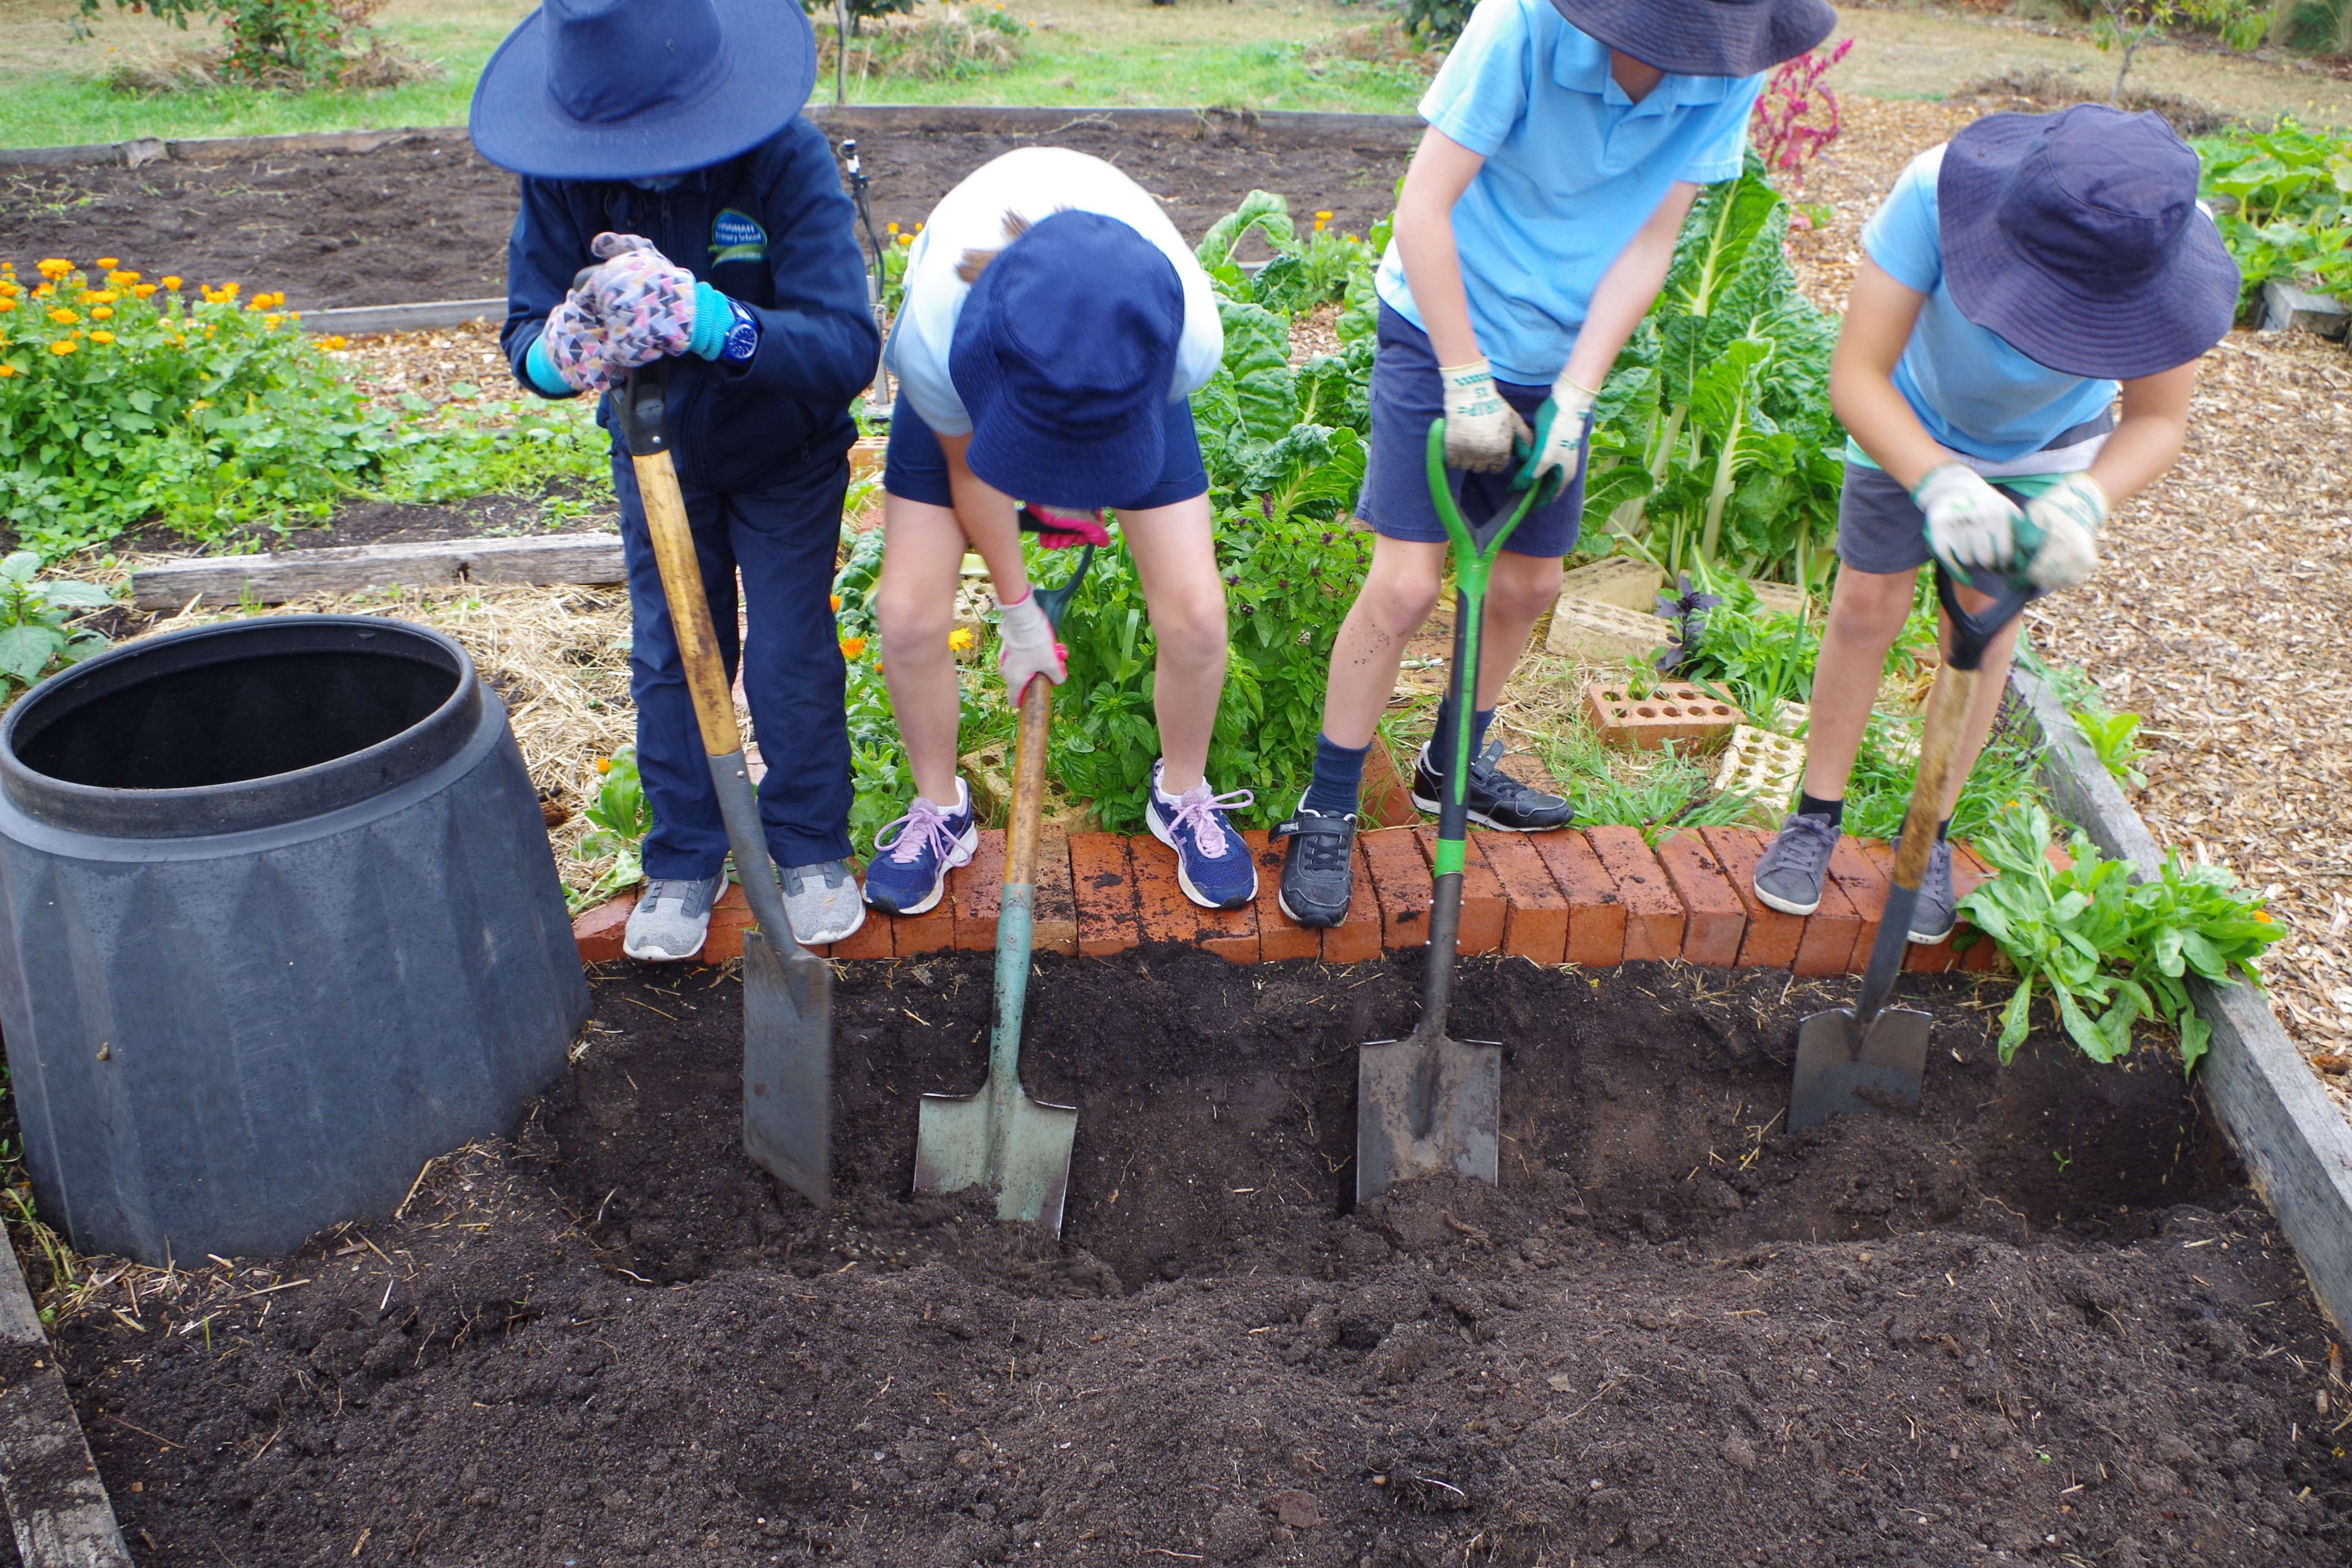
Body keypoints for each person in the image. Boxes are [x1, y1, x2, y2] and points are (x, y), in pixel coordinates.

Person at [1273, 0, 1839, 927]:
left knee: (1532, 588)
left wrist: (1576, 394)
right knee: (1411, 584)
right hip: (1439, 322)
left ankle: (1453, 765)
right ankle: (1330, 803)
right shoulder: (1522, 26)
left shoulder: (1733, 60)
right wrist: (1463, 377)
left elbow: (1652, 241)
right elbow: (1422, 206)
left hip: (1562, 350)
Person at [1749, 104, 2237, 942]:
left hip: (2050, 449)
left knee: (1980, 628)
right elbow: (1858, 377)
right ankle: (1814, 816)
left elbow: (2157, 421)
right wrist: (1936, 480)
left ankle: (1929, 833)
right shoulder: (1935, 193)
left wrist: (2087, 498)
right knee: (1867, 607)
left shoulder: (2166, 248)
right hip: (1907, 421)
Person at [472, 0, 881, 961]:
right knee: (672, 652)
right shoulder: (564, 176)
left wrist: (716, 323)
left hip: (786, 452)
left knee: (787, 650)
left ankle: (811, 846)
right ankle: (686, 860)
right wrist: (561, 354)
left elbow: (845, 345)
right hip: (656, 453)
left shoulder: (784, 158)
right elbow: (525, 336)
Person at [861, 147, 1258, 917]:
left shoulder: (1180, 334)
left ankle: (1182, 794)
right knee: (906, 617)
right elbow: (972, 474)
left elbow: (1134, 449)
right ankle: (941, 812)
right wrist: (1019, 614)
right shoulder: (938, 334)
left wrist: (1081, 487)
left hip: (1120, 364)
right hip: (985, 364)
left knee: (1199, 617)